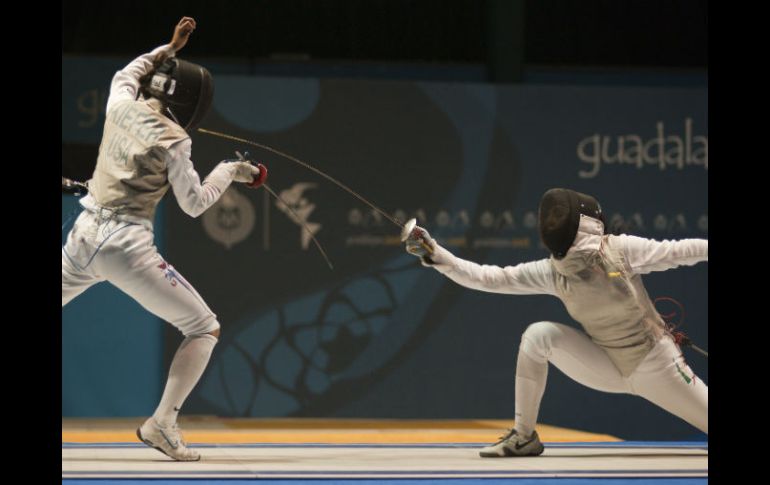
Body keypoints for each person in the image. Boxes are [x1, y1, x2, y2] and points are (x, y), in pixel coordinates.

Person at [61, 17, 267, 461]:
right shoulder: (175, 140)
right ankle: (162, 424)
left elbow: (126, 73)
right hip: (125, 247)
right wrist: (231, 170)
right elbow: (194, 203)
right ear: (193, 103)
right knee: (203, 327)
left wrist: (167, 49)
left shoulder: (120, 104)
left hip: (82, 236)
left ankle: (162, 425)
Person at [404, 188, 707, 457]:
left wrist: (436, 254)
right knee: (539, 336)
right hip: (606, 365)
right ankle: (524, 437)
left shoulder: (620, 250)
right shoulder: (554, 270)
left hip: (657, 366)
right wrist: (435, 253)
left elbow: (681, 251)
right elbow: (488, 277)